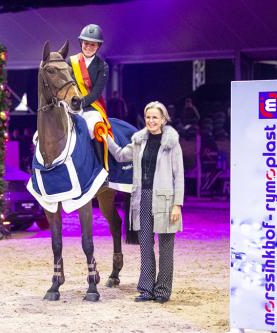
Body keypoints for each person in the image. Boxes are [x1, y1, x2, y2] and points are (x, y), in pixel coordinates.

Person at [106, 101, 184, 303]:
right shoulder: (139, 140)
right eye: (148, 117)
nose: (151, 121)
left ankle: (162, 291)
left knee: (166, 249)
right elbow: (121, 155)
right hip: (142, 198)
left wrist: (177, 204)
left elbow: (179, 176)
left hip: (165, 200)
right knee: (145, 246)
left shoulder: (172, 143)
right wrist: (105, 136)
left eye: (155, 117)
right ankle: (146, 289)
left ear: (163, 119)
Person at [68, 23, 111, 169]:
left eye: (93, 45)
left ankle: (101, 168)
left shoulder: (102, 66)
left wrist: (80, 103)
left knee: (95, 127)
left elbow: (96, 93)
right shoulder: (70, 62)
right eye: (86, 43)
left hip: (90, 107)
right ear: (81, 43)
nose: (88, 47)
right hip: (68, 105)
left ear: (98, 46)